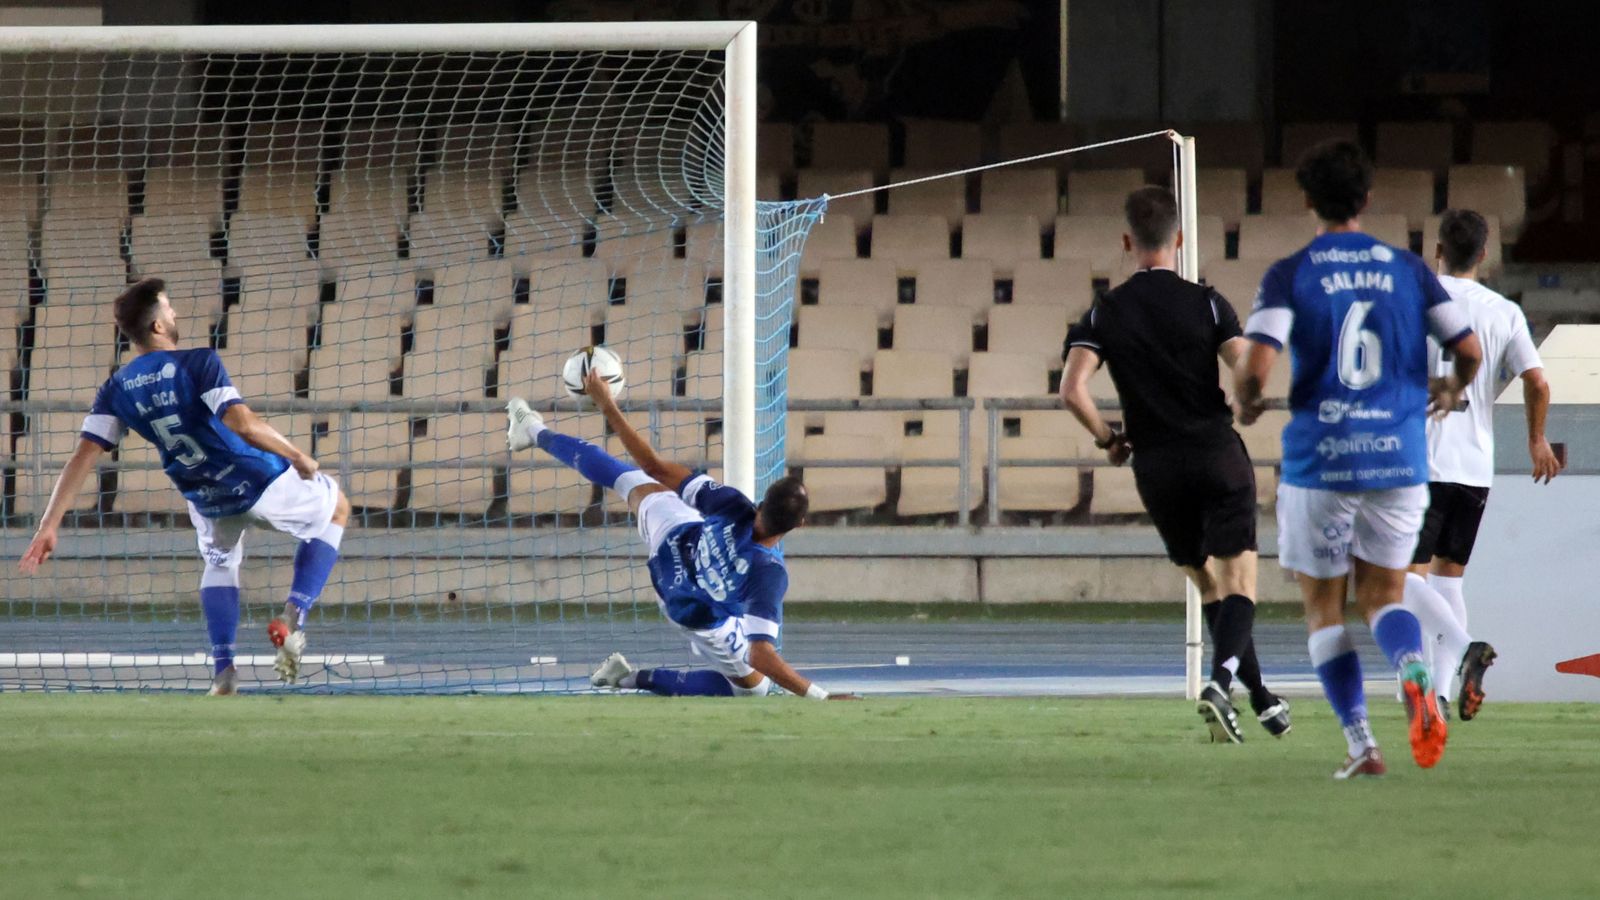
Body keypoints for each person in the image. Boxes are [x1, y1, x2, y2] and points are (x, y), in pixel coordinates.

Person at [1236, 141, 1484, 779]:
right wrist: (1452, 388)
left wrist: (1248, 401)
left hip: (1322, 459)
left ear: (1309, 201)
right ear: (1367, 200)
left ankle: (1361, 745)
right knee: (1385, 596)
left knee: (1325, 609)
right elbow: (1469, 349)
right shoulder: (1408, 269)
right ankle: (1413, 668)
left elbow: (1256, 365)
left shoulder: (1290, 272)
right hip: (1399, 459)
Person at [17, 277, 350, 693]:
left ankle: (224, 670)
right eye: (169, 308)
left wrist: (49, 524)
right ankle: (293, 614)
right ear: (157, 326)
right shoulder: (197, 362)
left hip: (204, 495)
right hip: (257, 478)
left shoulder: (115, 389)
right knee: (338, 508)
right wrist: (299, 456)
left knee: (220, 563)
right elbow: (241, 423)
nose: (175, 314)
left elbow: (83, 456)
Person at [1060, 186, 1290, 744]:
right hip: (1214, 453)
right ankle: (1221, 682)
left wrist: (1108, 439)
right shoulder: (1207, 302)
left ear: (1126, 241)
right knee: (1240, 583)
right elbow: (1244, 371)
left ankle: (1259, 698)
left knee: (1207, 583)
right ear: (1179, 239)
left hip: (1156, 466)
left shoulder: (1104, 311)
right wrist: (1249, 401)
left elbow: (1072, 390)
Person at [505, 368, 854, 700]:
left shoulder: (733, 503)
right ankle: (627, 678)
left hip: (671, 542)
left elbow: (655, 466)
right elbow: (761, 654)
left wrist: (607, 403)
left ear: (760, 502)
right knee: (753, 688)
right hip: (690, 609)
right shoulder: (769, 574)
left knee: (630, 479)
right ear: (799, 526)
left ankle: (534, 430)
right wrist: (819, 695)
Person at [1401, 208, 1562, 721]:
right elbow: (1538, 381)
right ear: (1486, 255)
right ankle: (1440, 697)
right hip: (1474, 468)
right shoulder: (1504, 312)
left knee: (1397, 579)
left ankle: (1466, 646)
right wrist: (1537, 441)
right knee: (1448, 584)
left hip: (1422, 462)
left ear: (1437, 251)